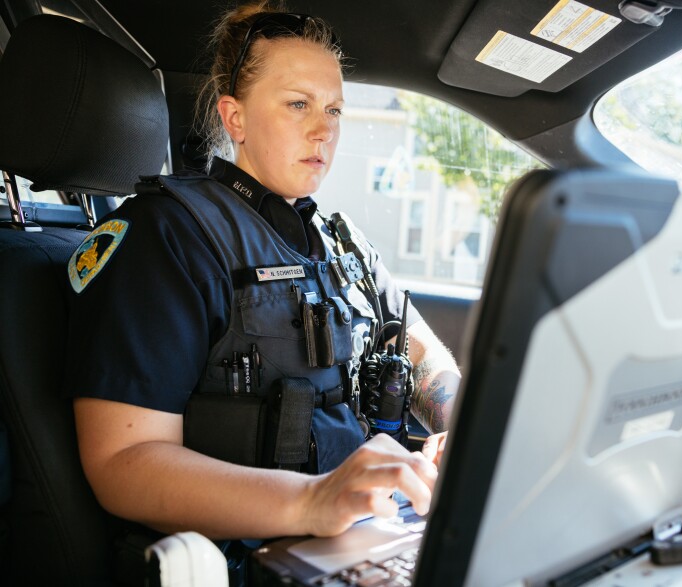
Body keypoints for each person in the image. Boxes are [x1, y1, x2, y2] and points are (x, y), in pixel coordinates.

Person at [65, 1, 460, 542]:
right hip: (250, 558)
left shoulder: (343, 244)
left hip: (369, 538)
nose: (324, 131)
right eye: (299, 104)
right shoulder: (167, 237)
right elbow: (122, 463)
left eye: (335, 110)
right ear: (235, 118)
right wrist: (313, 502)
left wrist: (456, 421)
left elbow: (421, 355)